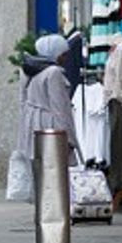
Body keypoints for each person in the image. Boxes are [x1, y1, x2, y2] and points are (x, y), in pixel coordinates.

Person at [17, 34, 81, 171]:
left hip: (31, 125)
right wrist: (69, 139)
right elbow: (60, 108)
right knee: (55, 171)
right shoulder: (54, 73)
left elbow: (22, 100)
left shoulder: (28, 70)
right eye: (64, 54)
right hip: (50, 128)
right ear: (56, 54)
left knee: (37, 169)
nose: (66, 58)